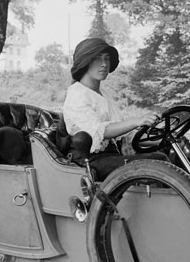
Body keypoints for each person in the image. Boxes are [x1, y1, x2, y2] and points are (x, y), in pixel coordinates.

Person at [62, 37, 165, 180]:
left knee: (168, 150)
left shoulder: (104, 95)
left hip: (112, 156)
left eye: (107, 58)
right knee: (159, 161)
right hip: (91, 162)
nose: (104, 64)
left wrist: (159, 136)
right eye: (97, 58)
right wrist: (136, 121)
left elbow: (122, 134)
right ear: (85, 62)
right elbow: (98, 131)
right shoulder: (77, 94)